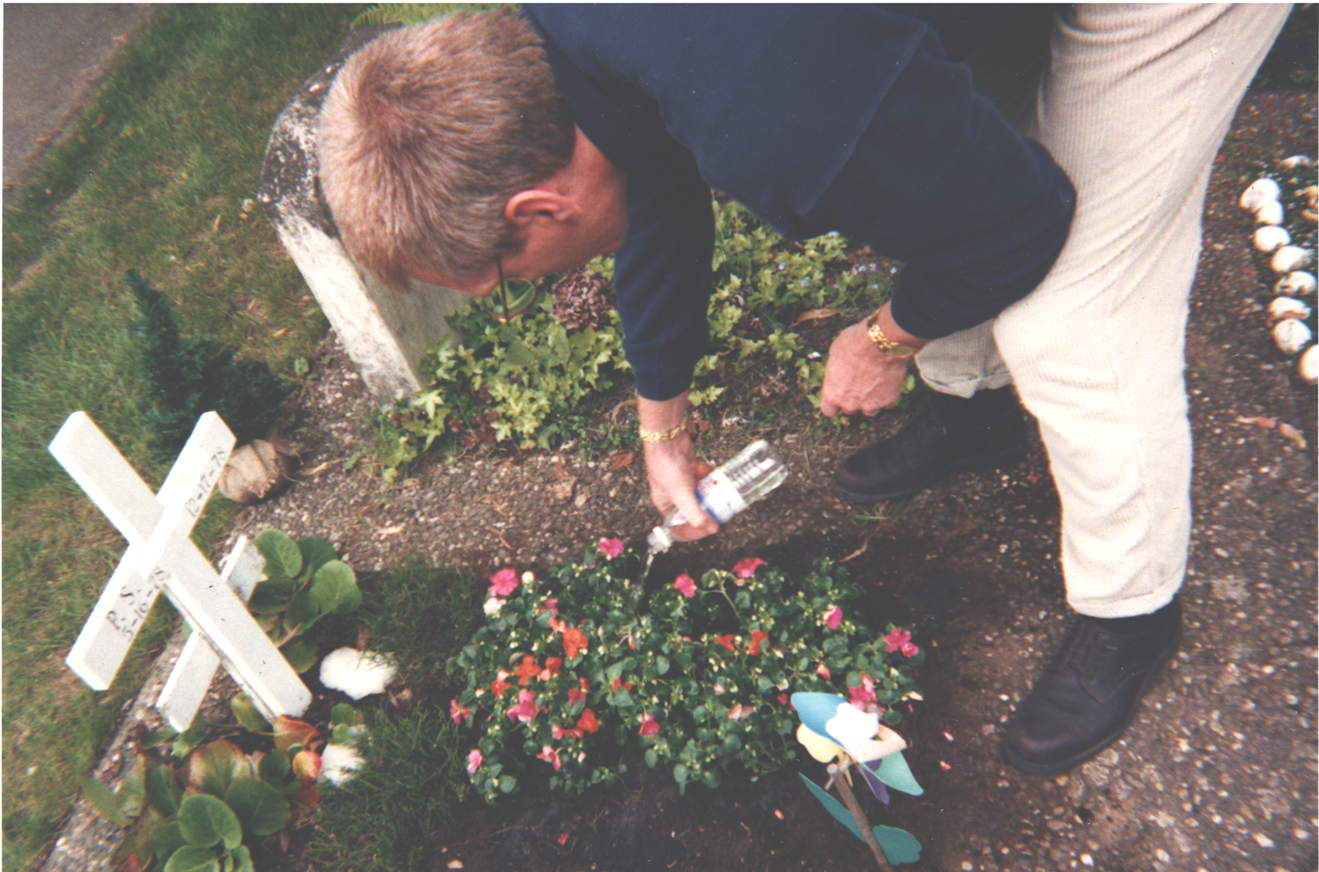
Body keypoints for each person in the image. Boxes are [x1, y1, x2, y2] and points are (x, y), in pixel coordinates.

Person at [316, 5, 1290, 775]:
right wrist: (660, 422)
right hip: (841, 42)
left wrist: (884, 337)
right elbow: (645, 180)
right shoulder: (565, 45)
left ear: (536, 208)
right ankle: (977, 404)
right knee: (953, 143)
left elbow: (1018, 224)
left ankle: (1129, 612)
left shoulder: (773, 108)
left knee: (1069, 313)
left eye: (512, 276)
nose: (525, 292)